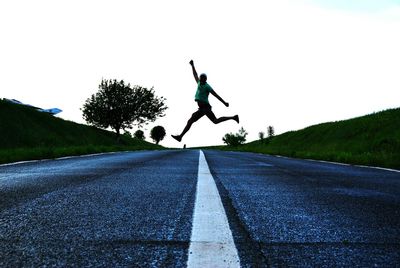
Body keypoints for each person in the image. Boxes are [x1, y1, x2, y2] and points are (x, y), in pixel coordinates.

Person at [171, 60, 239, 142]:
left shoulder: (207, 87)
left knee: (211, 121)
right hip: (202, 108)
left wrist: (224, 102)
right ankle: (180, 137)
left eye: (203, 79)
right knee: (196, 121)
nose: (202, 80)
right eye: (201, 78)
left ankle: (233, 117)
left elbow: (216, 95)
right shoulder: (199, 83)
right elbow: (195, 74)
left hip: (205, 108)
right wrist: (192, 65)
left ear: (206, 79)